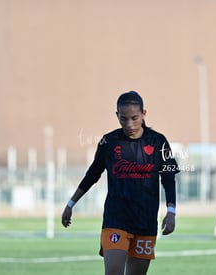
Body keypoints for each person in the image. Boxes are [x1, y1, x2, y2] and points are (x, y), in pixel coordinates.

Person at [61, 91, 179, 275]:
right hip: (116, 219)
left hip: (145, 220)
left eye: (134, 118)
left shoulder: (158, 142)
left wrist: (171, 212)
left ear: (144, 114)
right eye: (123, 119)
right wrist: (70, 204)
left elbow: (169, 179)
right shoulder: (109, 141)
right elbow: (93, 174)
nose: (129, 124)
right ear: (117, 116)